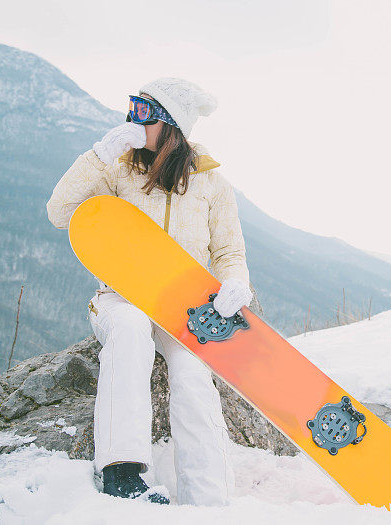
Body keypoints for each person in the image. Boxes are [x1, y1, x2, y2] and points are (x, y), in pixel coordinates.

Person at [45, 77, 253, 506]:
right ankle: (123, 471)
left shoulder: (211, 183)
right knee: (130, 327)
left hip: (183, 307)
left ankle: (207, 498)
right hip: (121, 297)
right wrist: (99, 155)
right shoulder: (117, 167)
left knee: (194, 374)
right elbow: (59, 213)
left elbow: (229, 250)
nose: (132, 120)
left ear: (172, 125)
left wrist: (236, 282)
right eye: (132, 107)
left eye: (144, 112)